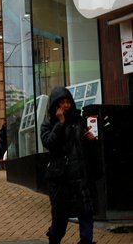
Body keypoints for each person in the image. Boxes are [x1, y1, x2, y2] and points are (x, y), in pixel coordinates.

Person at [40, 86, 98, 244]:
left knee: (86, 213)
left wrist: (91, 140)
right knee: (60, 219)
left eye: (68, 102)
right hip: (60, 179)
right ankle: (54, 238)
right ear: (55, 105)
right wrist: (60, 123)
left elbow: (84, 148)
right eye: (62, 102)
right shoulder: (49, 124)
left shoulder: (78, 121)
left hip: (80, 176)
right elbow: (49, 143)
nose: (66, 105)